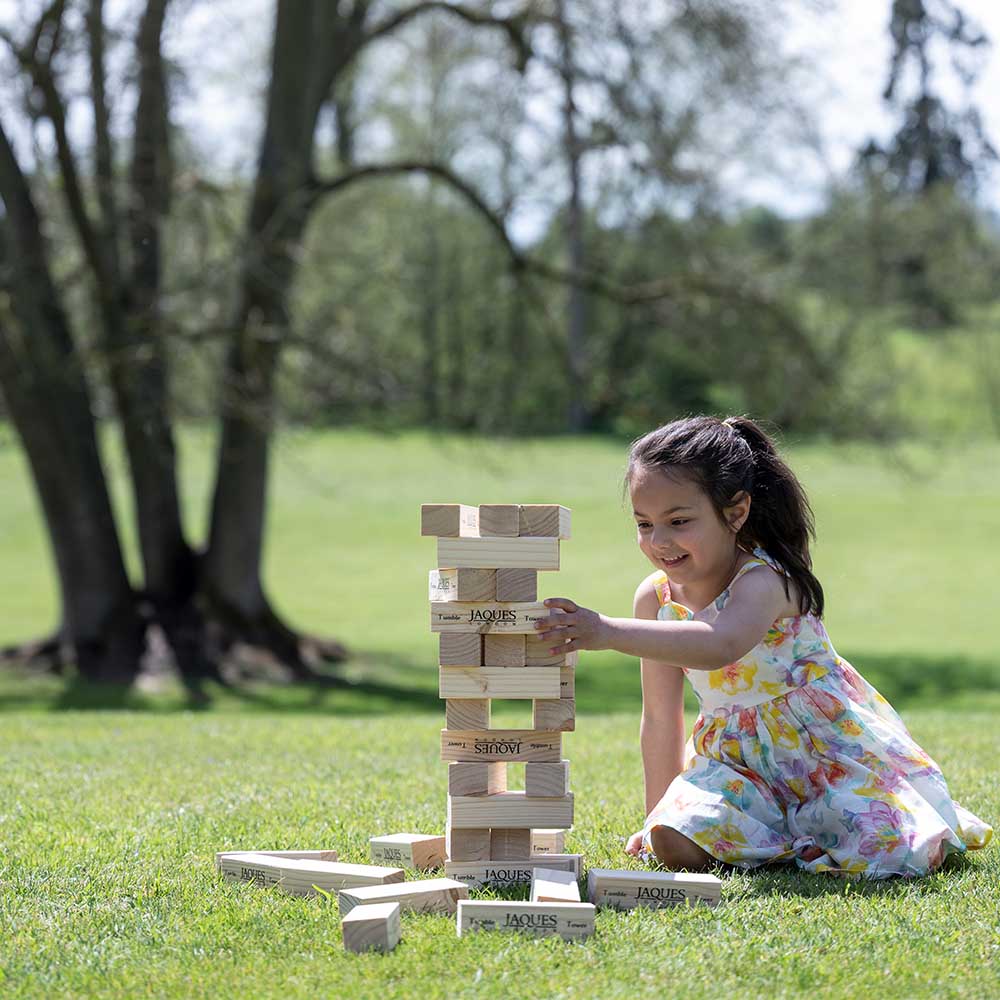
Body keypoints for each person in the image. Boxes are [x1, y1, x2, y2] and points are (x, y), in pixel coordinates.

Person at [536, 415, 992, 878]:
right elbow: (658, 718)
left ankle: (808, 836)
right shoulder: (655, 599)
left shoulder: (765, 581)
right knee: (671, 837)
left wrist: (606, 632)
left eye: (678, 521)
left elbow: (722, 643)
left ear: (735, 512)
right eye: (644, 523)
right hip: (736, 767)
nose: (659, 541)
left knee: (886, 842)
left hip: (822, 756)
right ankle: (783, 841)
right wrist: (657, 814)